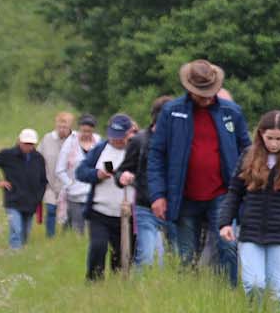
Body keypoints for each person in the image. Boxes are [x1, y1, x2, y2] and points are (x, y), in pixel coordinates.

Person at [147, 60, 251, 282]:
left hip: (223, 195)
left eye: (209, 92)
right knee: (185, 255)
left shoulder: (231, 112)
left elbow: (248, 151)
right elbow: (156, 154)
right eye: (200, 92)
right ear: (189, 88)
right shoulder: (171, 112)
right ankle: (187, 296)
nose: (205, 97)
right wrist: (158, 195)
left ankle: (228, 296)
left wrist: (246, 188)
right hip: (183, 196)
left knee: (228, 247)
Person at [219, 110, 280, 306]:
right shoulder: (248, 157)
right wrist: (225, 222)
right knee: (254, 284)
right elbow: (234, 192)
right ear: (261, 134)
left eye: (279, 138)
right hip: (251, 232)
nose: (274, 143)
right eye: (270, 138)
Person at [75, 114, 138, 281]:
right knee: (98, 246)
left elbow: (147, 176)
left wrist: (132, 179)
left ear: (129, 133)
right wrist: (97, 174)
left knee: (122, 254)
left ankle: (117, 287)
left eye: (120, 137)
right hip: (99, 211)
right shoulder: (100, 149)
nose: (116, 140)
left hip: (126, 214)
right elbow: (80, 172)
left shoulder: (137, 149)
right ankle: (94, 282)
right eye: (113, 136)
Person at [119, 95, 169, 270]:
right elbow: (123, 169)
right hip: (145, 206)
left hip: (174, 208)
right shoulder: (139, 140)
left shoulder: (179, 142)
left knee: (169, 260)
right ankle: (138, 290)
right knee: (147, 256)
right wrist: (123, 176)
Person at [0, 129, 49, 250]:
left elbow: (43, 180)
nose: (28, 146)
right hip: (13, 200)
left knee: (25, 234)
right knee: (16, 230)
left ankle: (20, 258)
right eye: (26, 143)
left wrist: (38, 197)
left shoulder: (38, 158)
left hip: (31, 202)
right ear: (19, 141)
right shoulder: (7, 155)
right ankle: (14, 253)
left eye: (31, 144)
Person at [56, 115, 99, 235]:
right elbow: (60, 169)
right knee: (78, 227)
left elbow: (107, 161)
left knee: (93, 227)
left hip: (93, 193)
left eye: (89, 131)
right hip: (75, 194)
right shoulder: (70, 143)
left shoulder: (98, 142)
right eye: (83, 131)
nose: (86, 134)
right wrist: (70, 184)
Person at [38, 112, 74, 237]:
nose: (62, 130)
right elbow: (39, 158)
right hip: (50, 182)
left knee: (69, 213)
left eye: (65, 127)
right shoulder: (47, 139)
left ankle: (66, 235)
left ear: (70, 126)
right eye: (60, 126)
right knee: (51, 210)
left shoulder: (74, 140)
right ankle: (50, 236)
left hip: (69, 183)